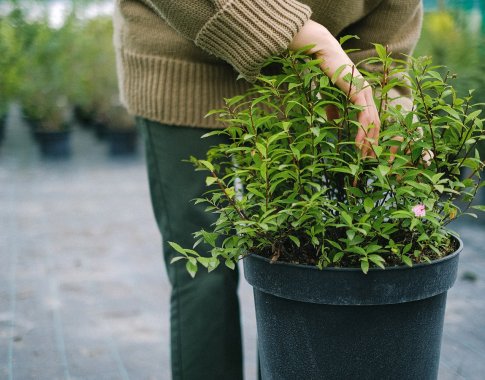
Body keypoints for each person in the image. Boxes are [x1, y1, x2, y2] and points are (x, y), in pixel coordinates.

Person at [112, 1, 423, 379]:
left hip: (300, 84)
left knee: (293, 269)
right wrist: (304, 34)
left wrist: (390, 112)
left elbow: (381, 50)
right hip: (182, 64)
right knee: (202, 271)